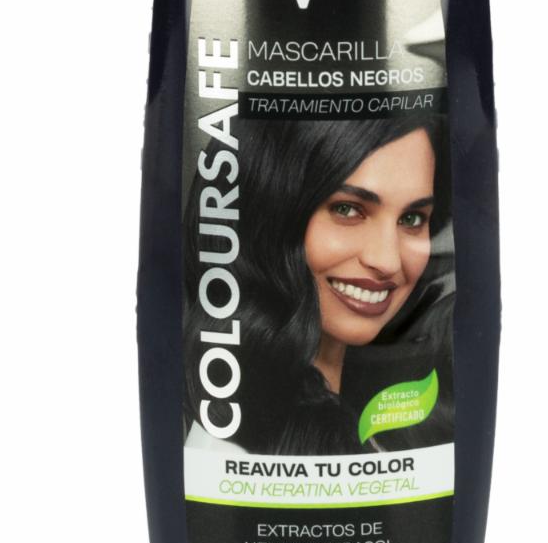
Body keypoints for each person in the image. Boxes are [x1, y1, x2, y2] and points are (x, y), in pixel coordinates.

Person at [183, 112, 454, 455]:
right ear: (272, 215)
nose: (388, 261)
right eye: (347, 210)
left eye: (412, 218)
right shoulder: (225, 446)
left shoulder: (395, 417)